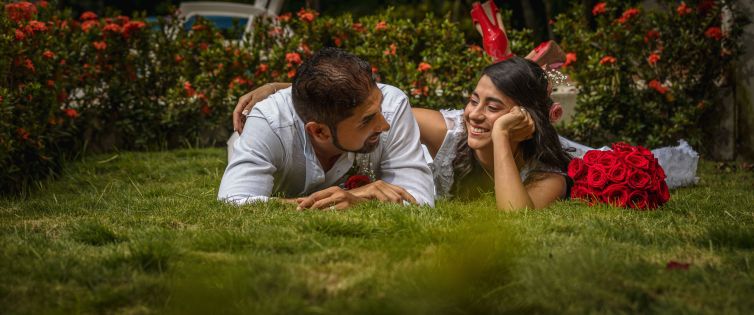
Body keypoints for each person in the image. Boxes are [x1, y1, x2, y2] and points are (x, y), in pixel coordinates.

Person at [218, 47, 435, 209]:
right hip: (249, 139)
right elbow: (234, 202)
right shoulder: (270, 122)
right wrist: (355, 195)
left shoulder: (393, 106)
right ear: (319, 132)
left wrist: (356, 200)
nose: (384, 125)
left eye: (379, 108)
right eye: (367, 120)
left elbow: (420, 200)